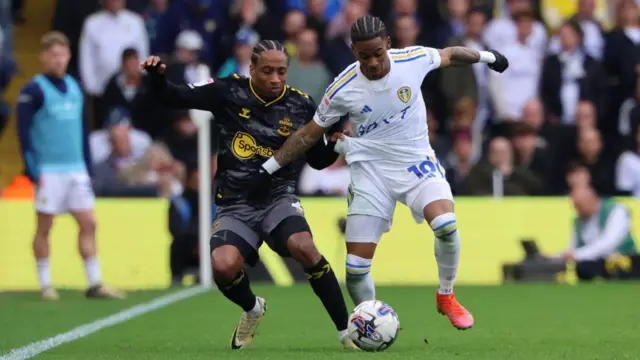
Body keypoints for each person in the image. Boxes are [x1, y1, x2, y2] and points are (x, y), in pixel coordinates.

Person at [250, 15, 509, 330]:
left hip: (415, 161)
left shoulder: (411, 59)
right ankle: (368, 323)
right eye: (363, 56)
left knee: (445, 224)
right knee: (356, 268)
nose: (372, 62)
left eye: (377, 53)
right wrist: (267, 168)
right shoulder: (343, 87)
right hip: (370, 170)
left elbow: (450, 54)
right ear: (354, 52)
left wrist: (489, 57)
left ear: (388, 44)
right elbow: (308, 134)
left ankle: (446, 296)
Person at [141, 40, 357, 350]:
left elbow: (316, 161)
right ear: (251, 69)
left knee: (305, 248)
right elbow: (175, 96)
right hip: (234, 203)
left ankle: (345, 331)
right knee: (223, 265)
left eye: (281, 71)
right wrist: (157, 78)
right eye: (267, 71)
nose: (275, 79)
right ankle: (253, 308)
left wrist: (335, 143)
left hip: (278, 198)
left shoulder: (301, 104)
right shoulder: (228, 90)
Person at [16, 32, 124, 301]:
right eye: (52, 54)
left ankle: (95, 282)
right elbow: (24, 133)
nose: (57, 59)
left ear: (68, 56)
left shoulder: (75, 87)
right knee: (45, 225)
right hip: (48, 169)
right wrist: (32, 168)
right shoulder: (33, 90)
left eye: (62, 54)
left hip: (75, 168)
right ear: (43, 57)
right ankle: (45, 283)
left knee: (89, 222)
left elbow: (83, 129)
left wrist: (87, 166)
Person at [561, 184, 638, 281]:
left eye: (578, 205)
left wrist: (578, 254)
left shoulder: (616, 210)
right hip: (596, 263)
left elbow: (609, 241)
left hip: (623, 260)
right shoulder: (578, 221)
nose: (576, 210)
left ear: (591, 200)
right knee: (583, 268)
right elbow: (573, 247)